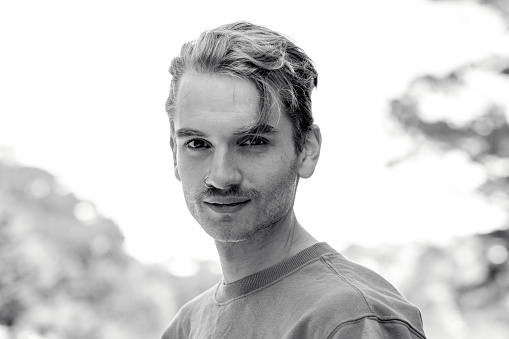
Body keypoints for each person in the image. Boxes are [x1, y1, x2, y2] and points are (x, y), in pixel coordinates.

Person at [162, 21, 426, 339]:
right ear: (174, 152)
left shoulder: (349, 319)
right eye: (197, 144)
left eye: (253, 141)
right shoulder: (187, 326)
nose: (220, 176)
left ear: (306, 150)